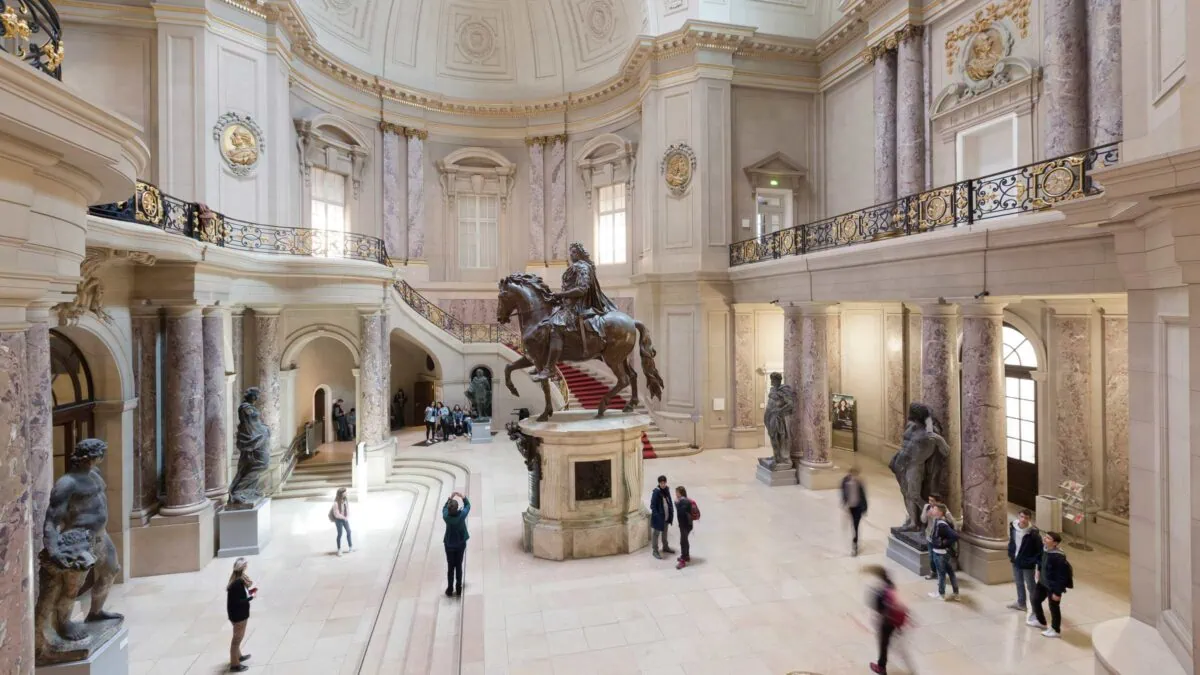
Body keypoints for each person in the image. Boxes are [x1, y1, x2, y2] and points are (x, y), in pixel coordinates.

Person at [530, 242, 618, 382]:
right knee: (545, 322)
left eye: (574, 252)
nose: (571, 255)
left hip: (578, 306)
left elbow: (582, 289)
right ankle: (542, 362)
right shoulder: (576, 267)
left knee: (555, 327)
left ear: (581, 254)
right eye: (570, 252)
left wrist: (561, 295)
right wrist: (557, 297)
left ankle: (550, 369)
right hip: (568, 304)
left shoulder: (583, 267)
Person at [865, 565, 909, 675]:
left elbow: (877, 608)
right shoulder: (890, 585)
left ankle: (881, 667)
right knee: (891, 644)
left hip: (886, 623)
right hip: (894, 621)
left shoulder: (879, 592)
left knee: (883, 645)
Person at [1029, 531, 1070, 637]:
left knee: (1054, 608)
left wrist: (1057, 592)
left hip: (1052, 586)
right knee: (1035, 600)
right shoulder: (1045, 550)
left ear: (1055, 543)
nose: (1044, 539)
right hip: (1042, 582)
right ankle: (1041, 621)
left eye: (1048, 538)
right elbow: (1041, 561)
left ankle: (1055, 630)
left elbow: (1062, 576)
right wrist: (1039, 570)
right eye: (1045, 537)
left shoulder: (1059, 557)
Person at [1007, 508, 1043, 613]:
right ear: (1018, 516)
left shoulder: (1034, 533)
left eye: (1026, 518)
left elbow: (1039, 551)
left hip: (1027, 563)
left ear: (1029, 519)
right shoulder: (1013, 526)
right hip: (1016, 559)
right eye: (1022, 517)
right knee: (1018, 582)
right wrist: (1011, 553)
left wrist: (1037, 566)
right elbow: (1012, 541)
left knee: (1031, 585)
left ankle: (1036, 608)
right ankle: (1021, 603)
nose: (1023, 520)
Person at [226, 558, 255, 672]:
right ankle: (235, 664)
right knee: (237, 639)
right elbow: (238, 601)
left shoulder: (238, 579)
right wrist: (250, 597)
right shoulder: (237, 583)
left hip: (237, 614)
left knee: (238, 637)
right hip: (239, 615)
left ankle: (238, 656)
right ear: (243, 567)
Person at [927, 503, 960, 601]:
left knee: (941, 574)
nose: (932, 510)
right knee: (950, 572)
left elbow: (955, 536)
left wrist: (943, 543)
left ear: (940, 512)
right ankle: (956, 593)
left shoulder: (942, 524)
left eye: (935, 509)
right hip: (942, 552)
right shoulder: (938, 521)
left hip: (940, 553)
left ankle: (941, 593)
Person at [920, 494, 955, 579]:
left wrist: (942, 517)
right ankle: (933, 572)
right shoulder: (927, 507)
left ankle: (941, 573)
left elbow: (952, 521)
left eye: (932, 500)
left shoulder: (943, 509)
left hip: (939, 538)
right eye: (929, 500)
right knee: (931, 557)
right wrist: (926, 512)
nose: (930, 502)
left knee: (939, 557)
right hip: (929, 536)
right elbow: (923, 520)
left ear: (938, 502)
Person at [443, 491, 471, 597]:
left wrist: (449, 498)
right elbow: (468, 506)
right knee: (458, 565)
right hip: (460, 544)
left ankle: (450, 588)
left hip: (449, 544)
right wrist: (463, 497)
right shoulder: (461, 516)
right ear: (457, 508)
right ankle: (458, 587)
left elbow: (444, 508)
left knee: (450, 567)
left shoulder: (446, 517)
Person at [840, 466, 868, 556]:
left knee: (856, 526)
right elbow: (843, 492)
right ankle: (855, 540)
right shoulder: (845, 481)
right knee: (853, 524)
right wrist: (844, 502)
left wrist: (865, 508)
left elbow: (863, 496)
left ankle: (855, 545)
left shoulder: (859, 483)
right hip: (851, 507)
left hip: (858, 508)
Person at [649, 475, 675, 560]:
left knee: (665, 532)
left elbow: (669, 501)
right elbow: (652, 505)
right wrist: (657, 516)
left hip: (666, 516)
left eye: (664, 483)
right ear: (659, 483)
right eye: (661, 483)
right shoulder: (656, 492)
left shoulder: (666, 490)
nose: (663, 484)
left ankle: (665, 546)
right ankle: (655, 550)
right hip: (659, 517)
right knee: (656, 534)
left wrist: (671, 512)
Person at [674, 486, 694, 569]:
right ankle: (687, 556)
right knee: (685, 540)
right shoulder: (686, 500)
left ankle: (683, 560)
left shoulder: (683, 501)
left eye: (676, 492)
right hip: (687, 524)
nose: (675, 494)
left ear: (680, 493)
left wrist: (676, 504)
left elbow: (681, 513)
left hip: (685, 525)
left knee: (683, 542)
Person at [331, 487, 353, 556]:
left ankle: (350, 547)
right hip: (339, 520)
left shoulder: (345, 500)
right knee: (340, 534)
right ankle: (339, 549)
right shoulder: (336, 503)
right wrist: (344, 518)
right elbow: (336, 514)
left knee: (349, 531)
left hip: (345, 519)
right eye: (345, 492)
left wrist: (347, 516)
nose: (346, 493)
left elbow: (348, 509)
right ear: (341, 494)